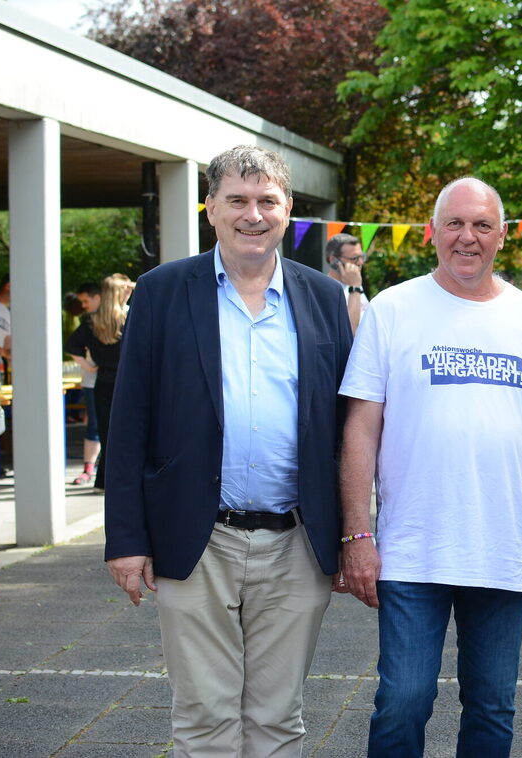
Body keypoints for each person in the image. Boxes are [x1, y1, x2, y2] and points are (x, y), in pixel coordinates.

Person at [104, 145, 354, 757]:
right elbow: (129, 420)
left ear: (288, 209)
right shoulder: (162, 292)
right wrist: (126, 539)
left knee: (278, 719)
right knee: (203, 719)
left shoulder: (324, 298)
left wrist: (354, 533)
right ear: (210, 207)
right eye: (237, 200)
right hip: (195, 538)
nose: (253, 214)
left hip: (297, 541)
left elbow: (347, 426)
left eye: (267, 201)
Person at [337, 176, 522, 758]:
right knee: (402, 701)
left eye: (481, 225)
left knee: (492, 709)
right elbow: (360, 429)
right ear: (432, 232)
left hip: (502, 544)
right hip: (412, 547)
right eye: (455, 223)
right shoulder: (394, 308)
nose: (467, 237)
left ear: (501, 236)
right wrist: (357, 533)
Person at [65, 274, 132, 492]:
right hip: (127, 380)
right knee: (128, 430)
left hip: (102, 380)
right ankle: (121, 480)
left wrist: (88, 365)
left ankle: (103, 480)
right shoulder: (128, 317)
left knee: (105, 431)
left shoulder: (92, 320)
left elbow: (72, 346)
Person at [69, 281, 102, 484]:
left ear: (97, 297)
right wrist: (89, 366)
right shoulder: (90, 320)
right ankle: (89, 468)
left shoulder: (123, 313)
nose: (83, 305)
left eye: (85, 300)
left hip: (109, 380)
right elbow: (72, 346)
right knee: (95, 425)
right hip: (94, 381)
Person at [325, 232, 369, 333]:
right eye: (354, 258)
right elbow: (348, 332)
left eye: (362, 257)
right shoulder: (326, 289)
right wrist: (355, 287)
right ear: (334, 260)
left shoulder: (355, 283)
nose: (360, 262)